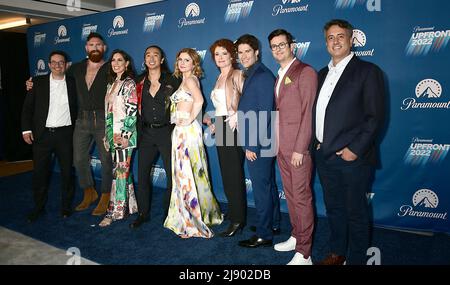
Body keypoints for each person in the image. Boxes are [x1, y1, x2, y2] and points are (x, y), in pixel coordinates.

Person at [312, 19, 385, 265]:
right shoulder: (321, 74)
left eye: (340, 36)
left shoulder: (368, 71)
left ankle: (355, 259)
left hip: (351, 158)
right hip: (324, 155)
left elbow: (374, 118)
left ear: (351, 40)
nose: (335, 41)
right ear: (326, 42)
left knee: (356, 213)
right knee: (334, 209)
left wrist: (354, 149)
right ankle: (337, 253)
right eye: (330, 37)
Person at [26, 32, 113, 216]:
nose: (95, 47)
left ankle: (106, 195)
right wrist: (31, 83)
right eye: (91, 44)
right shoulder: (76, 69)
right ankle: (89, 191)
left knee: (106, 160)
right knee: (78, 159)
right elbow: (55, 79)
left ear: (104, 48)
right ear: (86, 48)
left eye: (98, 44)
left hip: (104, 119)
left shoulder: (112, 67)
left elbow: (129, 81)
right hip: (81, 120)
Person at [268, 29, 317, 265]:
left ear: (292, 46)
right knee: (290, 195)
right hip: (282, 146)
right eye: (274, 46)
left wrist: (300, 148)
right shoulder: (279, 74)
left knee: (301, 197)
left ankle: (305, 253)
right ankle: (297, 237)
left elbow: (308, 113)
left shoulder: (305, 71)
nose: (278, 49)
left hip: (297, 149)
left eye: (281, 45)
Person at [163, 48, 223, 238]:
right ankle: (202, 214)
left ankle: (191, 222)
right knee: (192, 173)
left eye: (187, 60)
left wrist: (188, 120)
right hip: (183, 131)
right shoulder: (186, 80)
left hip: (186, 132)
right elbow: (195, 104)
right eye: (180, 59)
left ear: (194, 63)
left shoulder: (189, 80)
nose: (182, 63)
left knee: (185, 175)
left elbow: (199, 100)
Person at [21, 50, 77, 222]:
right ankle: (38, 207)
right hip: (42, 136)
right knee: (40, 174)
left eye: (61, 62)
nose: (57, 65)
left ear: (66, 64)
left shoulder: (74, 83)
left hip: (65, 135)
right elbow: (27, 109)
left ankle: (66, 207)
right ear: (49, 64)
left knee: (67, 173)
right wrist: (26, 130)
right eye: (54, 62)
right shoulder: (37, 82)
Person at [235, 34, 280, 248]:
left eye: (247, 51)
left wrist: (251, 145)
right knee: (268, 185)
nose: (243, 56)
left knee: (261, 189)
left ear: (256, 52)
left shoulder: (261, 75)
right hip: (264, 140)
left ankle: (264, 234)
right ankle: (273, 224)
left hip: (259, 142)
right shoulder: (253, 73)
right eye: (240, 52)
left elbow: (265, 113)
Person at [129, 45, 181, 229]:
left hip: (167, 133)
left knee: (172, 176)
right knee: (142, 176)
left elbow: (187, 100)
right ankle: (143, 213)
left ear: (162, 59)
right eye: (148, 55)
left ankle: (169, 212)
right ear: (144, 60)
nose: (151, 58)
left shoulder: (173, 80)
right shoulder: (137, 82)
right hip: (146, 134)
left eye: (155, 55)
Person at [203, 39, 247, 237]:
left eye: (224, 53)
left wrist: (236, 117)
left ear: (232, 55)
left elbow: (248, 101)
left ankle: (238, 220)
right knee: (227, 173)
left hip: (232, 128)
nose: (220, 57)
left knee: (233, 174)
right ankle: (235, 210)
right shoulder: (220, 76)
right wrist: (213, 123)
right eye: (216, 54)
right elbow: (221, 107)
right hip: (221, 127)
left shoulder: (237, 74)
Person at [99, 49, 138, 227]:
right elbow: (109, 112)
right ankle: (132, 206)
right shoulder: (112, 83)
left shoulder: (129, 83)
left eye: (120, 60)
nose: (115, 63)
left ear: (127, 63)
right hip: (112, 134)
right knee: (122, 171)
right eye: (113, 60)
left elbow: (132, 112)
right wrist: (107, 136)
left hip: (124, 137)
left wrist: (125, 136)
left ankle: (115, 211)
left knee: (120, 173)